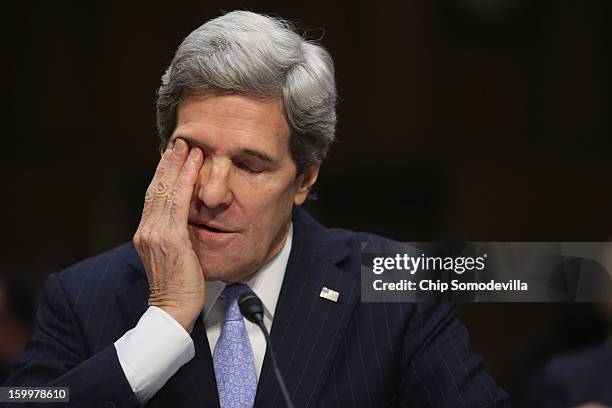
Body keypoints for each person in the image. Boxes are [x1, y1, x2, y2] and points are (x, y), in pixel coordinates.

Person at [2, 10, 510, 407]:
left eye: (249, 165)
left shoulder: (396, 291)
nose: (212, 192)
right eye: (193, 153)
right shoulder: (82, 294)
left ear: (304, 179)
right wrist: (159, 329)